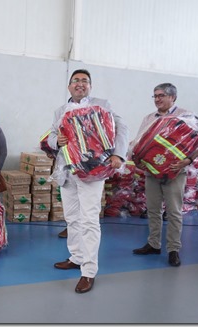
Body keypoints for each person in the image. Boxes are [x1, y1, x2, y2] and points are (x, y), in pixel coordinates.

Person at [46, 69, 129, 293]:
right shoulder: (60, 111)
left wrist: (118, 155)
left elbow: (121, 128)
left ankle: (89, 271)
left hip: (93, 171)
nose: (80, 84)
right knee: (72, 218)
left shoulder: (102, 105)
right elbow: (51, 136)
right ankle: (76, 257)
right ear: (69, 86)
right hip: (67, 170)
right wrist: (57, 140)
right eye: (76, 81)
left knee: (89, 219)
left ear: (90, 86)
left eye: (85, 81)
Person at [131, 83, 198, 267]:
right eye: (155, 96)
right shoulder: (149, 118)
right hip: (152, 171)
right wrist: (136, 158)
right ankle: (153, 244)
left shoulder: (186, 116)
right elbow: (138, 142)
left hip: (175, 171)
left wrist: (186, 161)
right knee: (153, 210)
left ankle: (173, 249)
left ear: (173, 97)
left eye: (161, 95)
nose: (157, 99)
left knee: (174, 212)